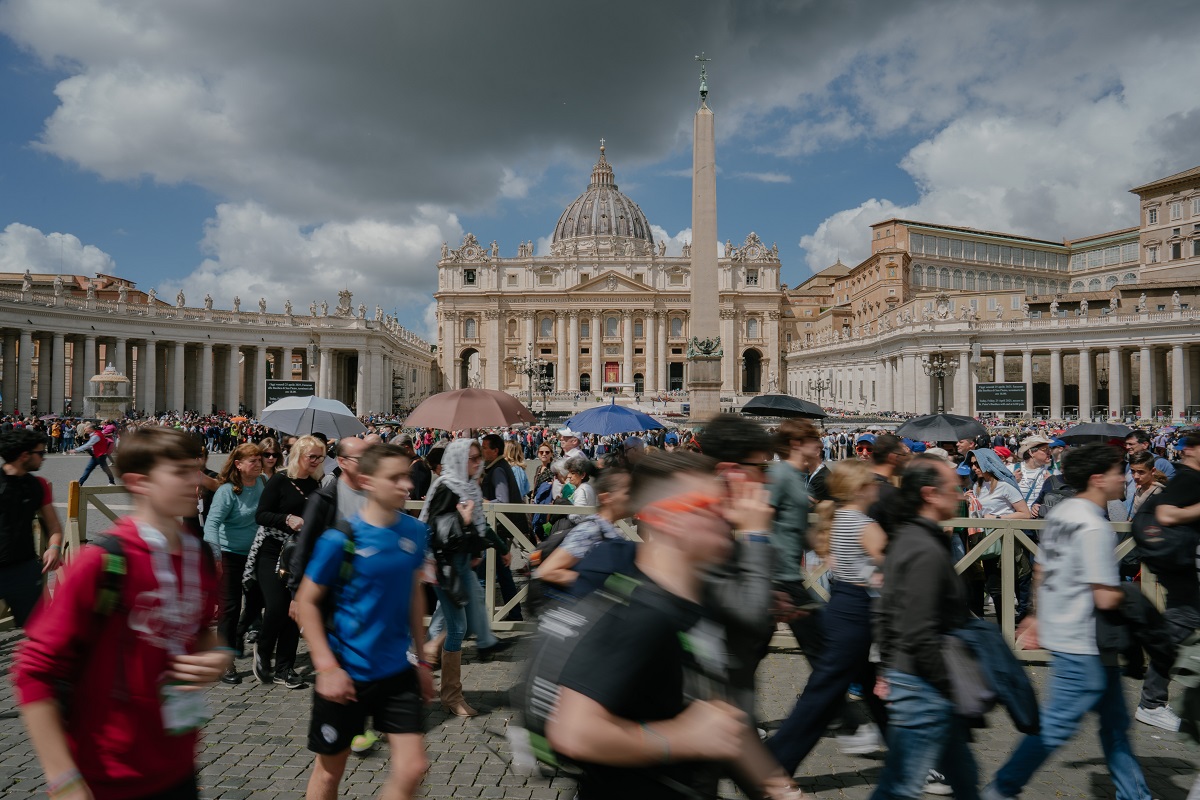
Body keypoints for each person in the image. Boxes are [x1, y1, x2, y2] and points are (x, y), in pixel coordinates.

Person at [540, 450, 800, 800]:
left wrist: (781, 789)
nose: (727, 513)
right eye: (710, 504)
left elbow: (722, 718)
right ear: (667, 519)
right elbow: (574, 730)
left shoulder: (698, 602)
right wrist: (681, 738)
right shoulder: (639, 612)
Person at [13, 427, 228, 800]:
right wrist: (63, 779)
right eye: (180, 472)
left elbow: (199, 632)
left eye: (197, 469)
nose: (196, 481)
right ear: (139, 482)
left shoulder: (200, 556)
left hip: (178, 766)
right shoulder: (102, 562)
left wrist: (216, 655)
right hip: (107, 775)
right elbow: (33, 670)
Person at [984, 443, 1151, 800]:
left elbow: (1042, 568)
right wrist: (1139, 602)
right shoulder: (1092, 525)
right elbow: (1105, 596)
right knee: (1055, 729)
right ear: (1097, 479)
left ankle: (1135, 794)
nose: (1124, 477)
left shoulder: (1064, 511)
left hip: (1073, 635)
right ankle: (999, 790)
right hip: (1083, 643)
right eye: (1118, 471)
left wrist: (1035, 615)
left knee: (1115, 726)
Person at [295, 443, 435, 800]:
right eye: (396, 478)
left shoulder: (415, 532)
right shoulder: (341, 537)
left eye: (408, 475)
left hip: (396, 671)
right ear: (368, 481)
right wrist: (326, 668)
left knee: (413, 767)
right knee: (329, 773)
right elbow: (306, 603)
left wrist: (422, 659)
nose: (407, 484)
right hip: (347, 670)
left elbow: (413, 593)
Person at [768, 460, 889, 776]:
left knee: (874, 692)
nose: (878, 486)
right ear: (861, 489)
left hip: (842, 603)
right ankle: (775, 764)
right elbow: (890, 572)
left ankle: (913, 758)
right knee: (822, 695)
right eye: (872, 482)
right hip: (858, 611)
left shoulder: (837, 520)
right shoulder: (866, 525)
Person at [871, 455, 977, 800]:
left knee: (964, 779)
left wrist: (887, 667)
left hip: (916, 678)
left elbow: (886, 610)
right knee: (900, 787)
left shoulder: (908, 536)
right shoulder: (924, 549)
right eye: (954, 488)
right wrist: (948, 687)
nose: (960, 494)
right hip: (925, 685)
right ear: (931, 494)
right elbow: (917, 629)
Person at [419, 438, 506, 716]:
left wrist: (493, 546)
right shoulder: (446, 486)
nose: (477, 462)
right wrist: (465, 522)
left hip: (461, 563)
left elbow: (479, 527)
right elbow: (437, 531)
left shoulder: (469, 487)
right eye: (471, 458)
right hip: (444, 565)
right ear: (457, 459)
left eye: (479, 457)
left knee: (462, 623)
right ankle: (447, 691)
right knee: (458, 626)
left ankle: (438, 674)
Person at [248, 434, 325, 689]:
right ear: (299, 456)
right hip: (272, 552)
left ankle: (285, 668)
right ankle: (264, 647)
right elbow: (261, 515)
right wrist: (286, 519)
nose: (316, 461)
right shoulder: (279, 480)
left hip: (300, 554)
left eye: (320, 456)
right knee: (278, 607)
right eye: (311, 456)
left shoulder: (317, 485)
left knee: (296, 611)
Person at [1135, 431, 1200, 731]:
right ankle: (1152, 701)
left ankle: (1153, 699)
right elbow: (1167, 513)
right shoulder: (1189, 478)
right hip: (1183, 561)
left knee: (1181, 620)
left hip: (1180, 560)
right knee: (1181, 621)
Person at [203, 442, 266, 684]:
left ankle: (239, 633)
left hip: (255, 553)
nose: (258, 464)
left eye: (259, 460)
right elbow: (212, 524)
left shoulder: (261, 483)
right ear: (238, 465)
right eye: (253, 460)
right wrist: (215, 555)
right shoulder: (227, 491)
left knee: (258, 600)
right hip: (229, 553)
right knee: (229, 608)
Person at [0, 429, 63, 627]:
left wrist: (54, 547)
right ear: (24, 456)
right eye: (41, 454)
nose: (44, 459)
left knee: (40, 629)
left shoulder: (39, 485)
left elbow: (54, 525)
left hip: (23, 569)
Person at [534, 467, 630, 590]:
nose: (569, 476)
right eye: (627, 493)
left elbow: (577, 515)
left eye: (573, 473)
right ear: (606, 498)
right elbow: (546, 571)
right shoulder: (592, 529)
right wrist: (602, 584)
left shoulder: (599, 528)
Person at [966, 448, 1033, 622]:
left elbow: (1025, 513)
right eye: (971, 464)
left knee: (1011, 584)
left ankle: (1012, 629)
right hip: (987, 540)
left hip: (1006, 539)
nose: (973, 467)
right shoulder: (977, 486)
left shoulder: (1005, 486)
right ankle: (1004, 630)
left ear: (987, 463)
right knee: (994, 586)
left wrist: (997, 518)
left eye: (977, 463)